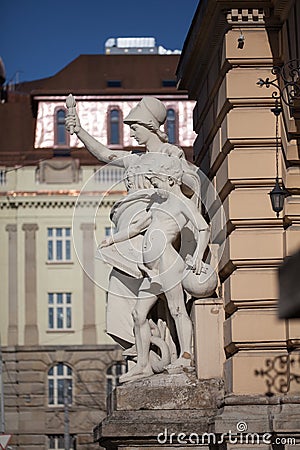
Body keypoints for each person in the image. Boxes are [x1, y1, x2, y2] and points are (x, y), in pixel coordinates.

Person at [65, 97, 202, 352]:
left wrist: (179, 173)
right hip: (131, 235)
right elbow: (104, 153)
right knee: (120, 293)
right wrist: (80, 130)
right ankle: (143, 355)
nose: (131, 133)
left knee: (163, 302)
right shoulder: (134, 160)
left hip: (154, 236)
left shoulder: (171, 155)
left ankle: (172, 352)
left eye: (135, 127)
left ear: (149, 125)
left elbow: (191, 191)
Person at [100, 154, 210, 382]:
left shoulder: (181, 203)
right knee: (138, 315)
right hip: (152, 270)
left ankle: (186, 355)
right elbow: (137, 227)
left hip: (168, 263)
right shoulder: (160, 204)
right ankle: (143, 365)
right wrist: (112, 240)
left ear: (170, 179)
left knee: (177, 309)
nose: (154, 185)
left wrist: (198, 256)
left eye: (157, 181)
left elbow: (203, 228)